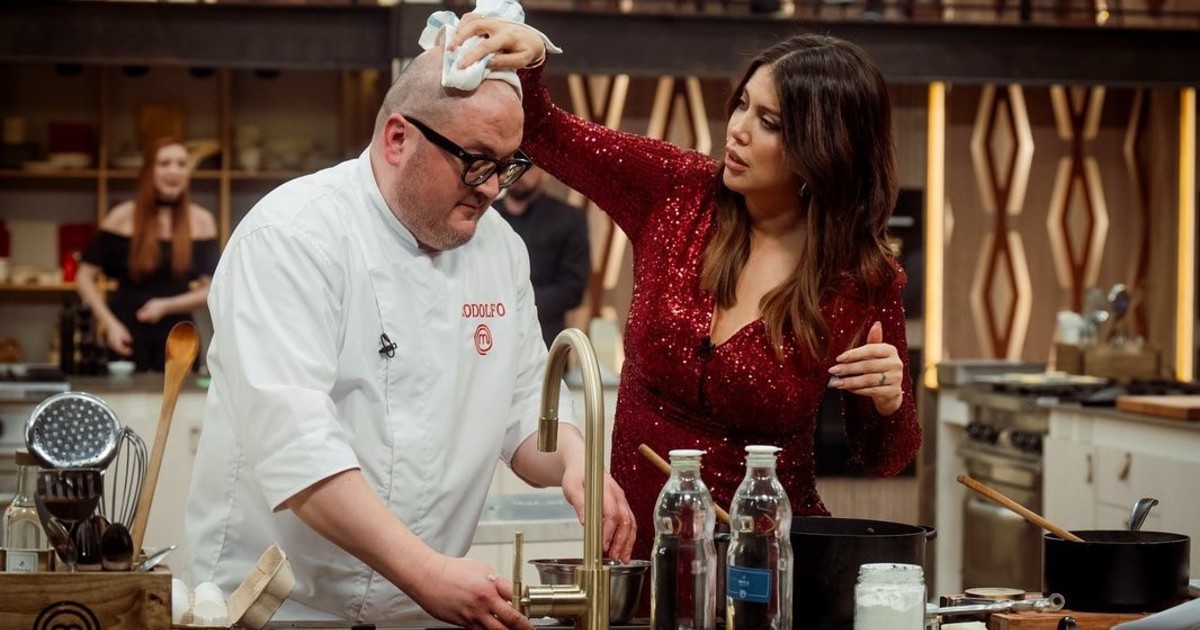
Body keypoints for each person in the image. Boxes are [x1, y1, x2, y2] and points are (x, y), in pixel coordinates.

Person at [183, 47, 634, 629]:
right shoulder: (291, 236)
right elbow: (297, 450)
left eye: (507, 166)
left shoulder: (499, 249)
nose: (492, 189)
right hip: (279, 607)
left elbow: (524, 411)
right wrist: (426, 572)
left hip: (419, 612)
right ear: (398, 139)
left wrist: (574, 460)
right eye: (476, 162)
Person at [451, 21, 922, 564]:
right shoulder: (679, 191)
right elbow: (545, 132)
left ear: (826, 149)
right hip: (637, 554)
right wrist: (531, 61)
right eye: (742, 104)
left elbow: (883, 458)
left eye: (768, 122)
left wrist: (888, 402)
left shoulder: (862, 280)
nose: (737, 129)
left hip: (765, 563)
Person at [76, 137, 219, 372]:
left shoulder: (202, 221)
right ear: (148, 171)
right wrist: (109, 324)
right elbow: (84, 276)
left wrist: (165, 306)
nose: (174, 171)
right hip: (125, 336)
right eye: (164, 163)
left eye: (181, 164)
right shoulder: (121, 216)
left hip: (179, 340)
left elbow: (212, 288)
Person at [494, 165, 590, 347]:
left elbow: (573, 289)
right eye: (513, 165)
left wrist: (517, 303)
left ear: (545, 172)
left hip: (542, 339)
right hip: (486, 332)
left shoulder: (568, 219)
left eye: (527, 167)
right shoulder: (485, 215)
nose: (519, 174)